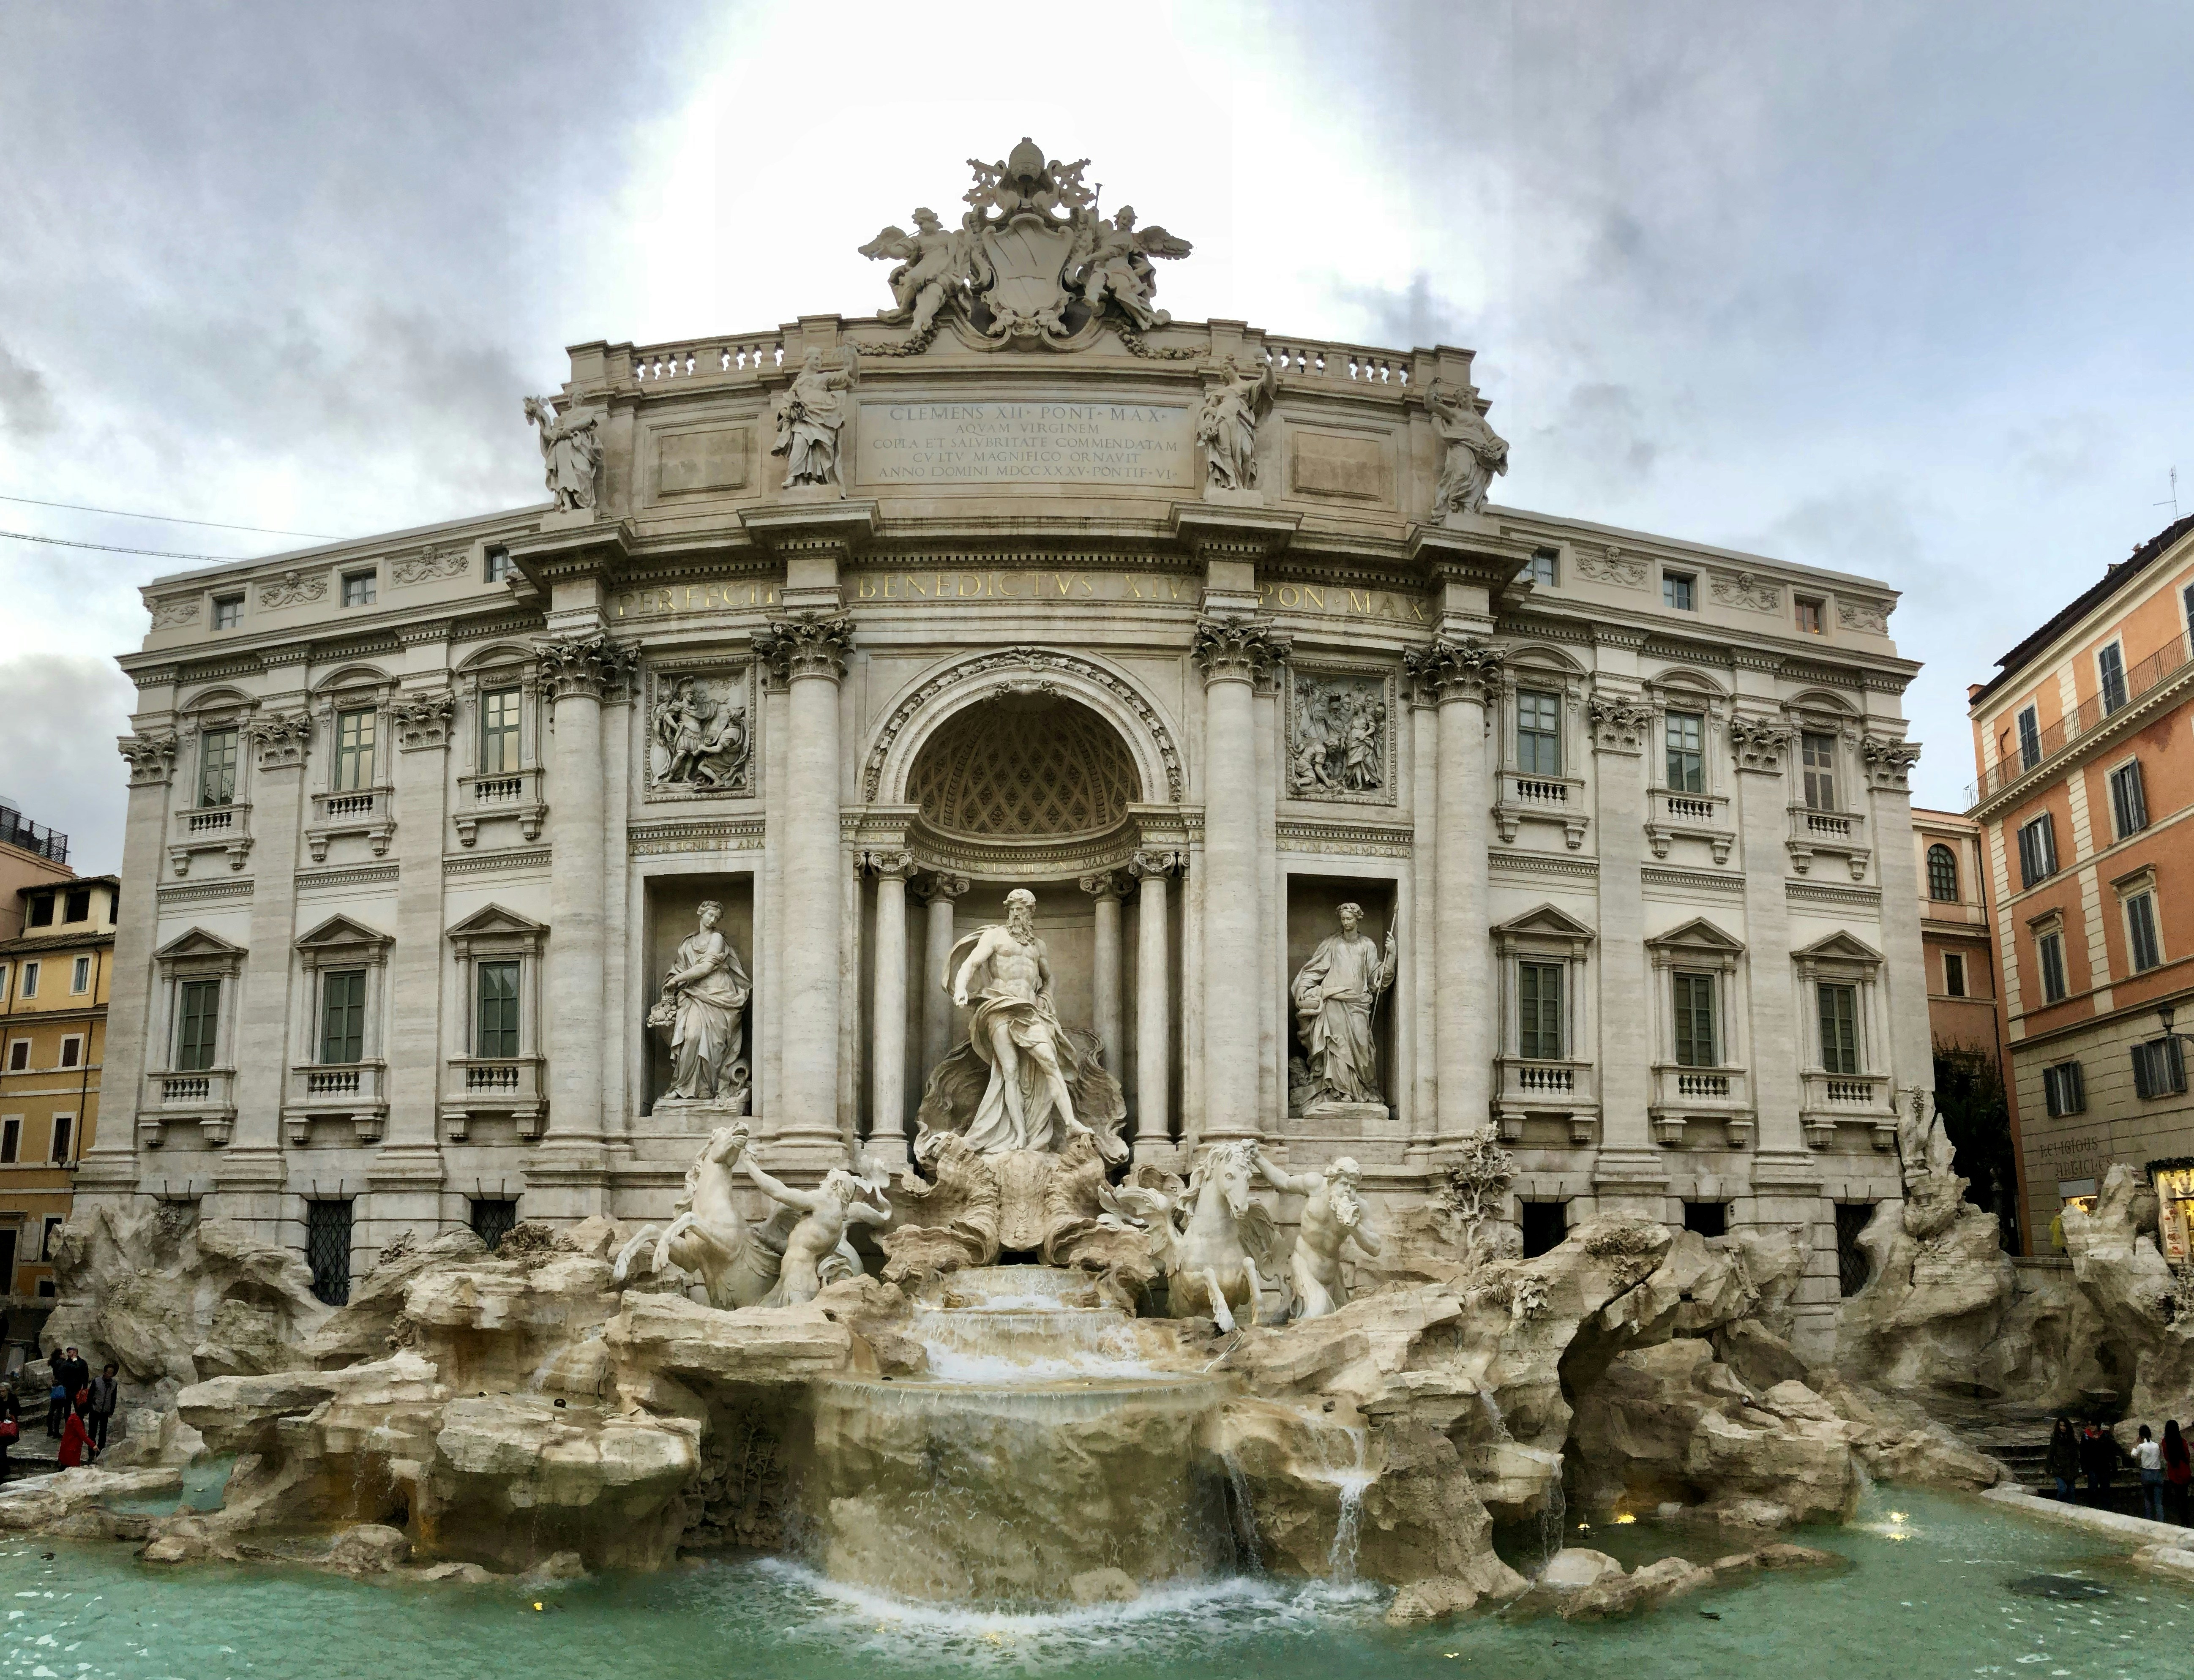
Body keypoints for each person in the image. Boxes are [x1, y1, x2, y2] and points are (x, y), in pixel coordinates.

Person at [2081, 1422, 2118, 1507]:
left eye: (2093, 1424)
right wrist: (2084, 1470)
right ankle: (2092, 1507)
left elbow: (2111, 1453)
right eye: (2090, 1425)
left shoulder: (2105, 1436)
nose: (2092, 1427)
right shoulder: (2086, 1437)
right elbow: (2083, 1454)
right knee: (2093, 1489)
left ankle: (2107, 1509)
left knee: (2105, 1490)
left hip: (2104, 1467)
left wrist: (2114, 1467)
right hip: (2092, 1468)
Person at [2135, 1424, 2166, 1522]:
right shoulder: (2156, 1445)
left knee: (2148, 1499)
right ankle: (2161, 1520)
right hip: (2157, 1473)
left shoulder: (2141, 1446)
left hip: (2147, 1473)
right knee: (2158, 1501)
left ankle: (2149, 1519)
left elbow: (2134, 1455)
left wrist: (2136, 1445)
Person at [2045, 1417, 2079, 1502]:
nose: (2063, 1428)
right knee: (2062, 1490)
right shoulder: (2055, 1439)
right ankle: (2058, 1505)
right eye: (2061, 1426)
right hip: (2059, 1469)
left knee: (2071, 1493)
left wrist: (2076, 1465)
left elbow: (2076, 1455)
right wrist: (2048, 1469)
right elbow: (2051, 1454)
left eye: (2064, 1426)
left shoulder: (2072, 1440)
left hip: (2071, 1469)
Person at [2164, 1420, 2191, 1525]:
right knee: (2184, 1498)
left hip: (2174, 1473)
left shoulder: (2165, 1442)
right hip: (2184, 1472)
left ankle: (2182, 1520)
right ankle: (2186, 1520)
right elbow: (2187, 1456)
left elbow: (2167, 1458)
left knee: (2178, 1498)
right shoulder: (2183, 1441)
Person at [56, 1394, 93, 1469]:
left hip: (67, 1447)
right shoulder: (77, 1421)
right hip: (72, 1450)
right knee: (69, 1469)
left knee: (64, 1467)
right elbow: (83, 1436)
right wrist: (93, 1445)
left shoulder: (73, 1417)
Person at [87, 1364, 117, 1454]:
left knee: (103, 1433)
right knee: (92, 1432)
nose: (110, 1375)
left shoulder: (114, 1384)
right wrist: (91, 1406)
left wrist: (112, 1410)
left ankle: (100, 1453)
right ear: (104, 1372)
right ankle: (91, 1453)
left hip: (105, 1411)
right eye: (108, 1373)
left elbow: (113, 1398)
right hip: (95, 1409)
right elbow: (90, 1395)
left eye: (112, 1373)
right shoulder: (97, 1381)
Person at [0, 1383, 18, 1485]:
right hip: (1, 1428)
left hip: (10, 1428)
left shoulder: (13, 1399)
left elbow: (18, 1411)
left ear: (8, 1391)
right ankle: (5, 1468)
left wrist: (11, 1414)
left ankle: (4, 1469)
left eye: (3, 1391)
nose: (1, 1394)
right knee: (2, 1448)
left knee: (2, 1448)